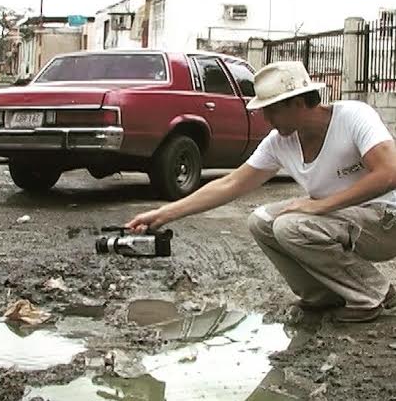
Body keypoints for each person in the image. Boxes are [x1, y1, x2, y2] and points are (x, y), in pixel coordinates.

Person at [126, 61, 396, 323]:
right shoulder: (280, 142)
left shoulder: (353, 116)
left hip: (384, 222)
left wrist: (320, 206)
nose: (266, 119)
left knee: (291, 227)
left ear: (298, 103)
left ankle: (372, 293)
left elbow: (389, 172)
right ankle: (323, 296)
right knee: (261, 221)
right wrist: (164, 214)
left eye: (272, 110)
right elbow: (230, 184)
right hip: (341, 219)